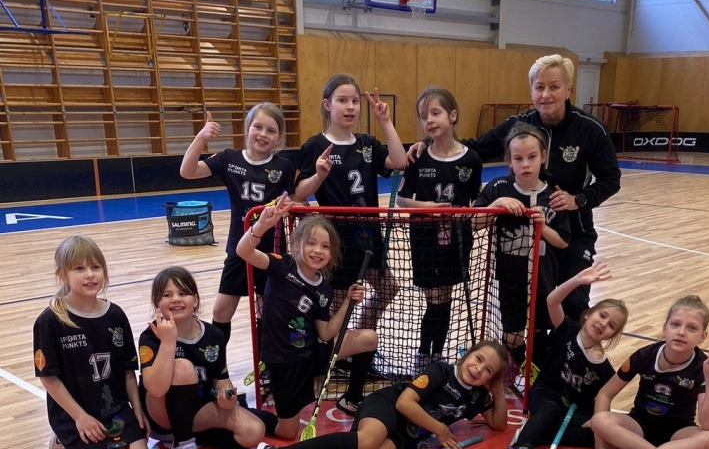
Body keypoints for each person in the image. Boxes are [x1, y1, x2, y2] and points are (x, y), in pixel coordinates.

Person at [410, 53, 621, 320]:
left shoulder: (590, 129)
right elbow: (474, 148)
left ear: (569, 89)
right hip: (522, 237)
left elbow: (611, 180)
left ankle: (569, 349)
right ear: (531, 91)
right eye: (539, 87)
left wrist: (577, 199)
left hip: (572, 232)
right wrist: (429, 143)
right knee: (528, 313)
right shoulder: (519, 125)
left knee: (573, 303)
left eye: (554, 87)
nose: (546, 94)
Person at [240, 340, 508, 449]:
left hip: (407, 436)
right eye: (478, 359)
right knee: (369, 440)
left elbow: (498, 424)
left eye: (488, 370)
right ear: (467, 354)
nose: (479, 369)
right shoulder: (441, 371)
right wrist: (440, 428)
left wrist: (497, 389)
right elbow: (405, 403)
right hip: (388, 406)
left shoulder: (477, 396)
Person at [235, 202, 378, 435]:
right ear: (296, 245)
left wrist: (348, 302)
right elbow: (244, 251)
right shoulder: (283, 266)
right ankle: (242, 412)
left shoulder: (324, 288)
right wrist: (261, 226)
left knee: (369, 338)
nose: (317, 250)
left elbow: (326, 333)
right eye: (311, 243)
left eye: (325, 246)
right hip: (283, 361)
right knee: (287, 432)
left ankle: (352, 399)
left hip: (312, 354)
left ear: (331, 254)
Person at [294, 73, 408, 339]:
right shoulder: (316, 145)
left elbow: (399, 161)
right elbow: (299, 192)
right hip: (336, 237)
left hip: (368, 235)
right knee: (339, 299)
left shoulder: (367, 143)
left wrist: (385, 122)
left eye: (355, 101)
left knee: (388, 289)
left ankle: (358, 336)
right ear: (327, 104)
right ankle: (338, 348)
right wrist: (319, 176)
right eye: (342, 100)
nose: (350, 107)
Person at [33, 235, 149, 449]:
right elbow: (49, 378)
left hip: (114, 407)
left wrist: (138, 409)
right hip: (74, 412)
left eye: (96, 267)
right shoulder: (50, 321)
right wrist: (80, 418)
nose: (89, 275)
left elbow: (128, 370)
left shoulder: (115, 314)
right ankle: (63, 440)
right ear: (62, 275)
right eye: (79, 268)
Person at [496, 262, 628, 449]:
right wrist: (577, 280)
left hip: (573, 410)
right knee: (550, 410)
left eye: (612, 325)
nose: (604, 324)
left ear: (611, 336)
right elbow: (552, 300)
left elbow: (600, 403)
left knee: (599, 432)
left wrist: (598, 429)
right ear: (588, 315)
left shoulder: (603, 368)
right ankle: (519, 448)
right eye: (602, 315)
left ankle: (538, 434)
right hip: (546, 394)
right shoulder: (567, 329)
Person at [179, 103, 295, 344]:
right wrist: (201, 138)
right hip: (239, 249)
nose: (263, 134)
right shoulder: (228, 158)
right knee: (221, 311)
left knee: (266, 310)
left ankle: (265, 361)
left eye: (271, 130)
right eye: (258, 127)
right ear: (246, 128)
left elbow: (297, 200)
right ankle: (217, 362)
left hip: (270, 252)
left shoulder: (284, 166)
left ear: (279, 137)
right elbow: (187, 171)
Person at [138, 267, 271, 449]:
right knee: (183, 367)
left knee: (254, 431)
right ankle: (181, 445)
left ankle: (189, 435)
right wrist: (168, 342)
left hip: (198, 411)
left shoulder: (214, 335)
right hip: (161, 416)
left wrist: (227, 396)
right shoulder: (150, 336)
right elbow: (155, 389)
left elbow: (221, 378)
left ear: (196, 300)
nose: (176, 299)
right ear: (157, 303)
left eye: (183, 293)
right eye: (167, 295)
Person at [590, 295, 709, 449]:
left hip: (678, 431)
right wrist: (599, 436)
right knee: (599, 420)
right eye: (675, 324)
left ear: (702, 336)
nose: (681, 332)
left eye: (691, 328)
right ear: (664, 328)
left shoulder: (702, 367)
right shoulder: (644, 355)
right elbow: (605, 393)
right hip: (639, 425)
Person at [474, 124, 571, 393]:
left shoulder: (554, 195)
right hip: (511, 276)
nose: (525, 164)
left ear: (543, 157)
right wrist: (496, 205)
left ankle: (536, 380)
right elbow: (473, 223)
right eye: (518, 158)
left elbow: (563, 241)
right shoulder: (499, 187)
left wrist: (543, 227)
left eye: (532, 157)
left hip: (543, 277)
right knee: (513, 334)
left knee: (538, 331)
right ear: (509, 161)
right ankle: (517, 367)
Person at [396, 86, 483, 369]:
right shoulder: (418, 156)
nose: (429, 120)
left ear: (452, 115)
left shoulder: (471, 159)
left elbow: (475, 201)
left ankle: (436, 355)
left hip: (457, 239)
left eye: (435, 113)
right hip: (424, 239)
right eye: (424, 116)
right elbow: (400, 200)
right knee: (434, 298)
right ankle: (424, 354)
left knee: (445, 297)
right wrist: (428, 207)